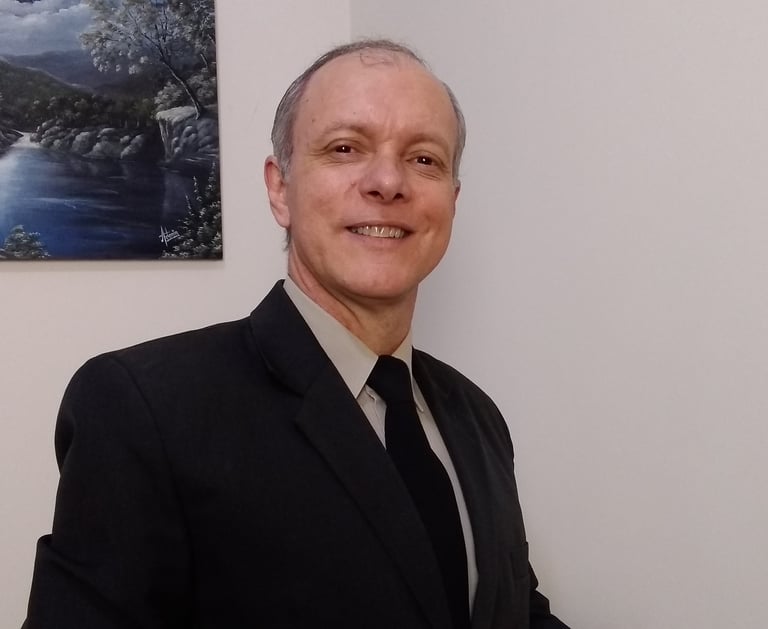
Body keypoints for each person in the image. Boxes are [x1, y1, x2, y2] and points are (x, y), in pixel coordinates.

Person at [24, 39, 569, 629]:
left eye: (424, 159)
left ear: (452, 202)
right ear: (280, 189)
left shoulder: (477, 417)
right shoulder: (143, 410)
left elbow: (517, 614)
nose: (388, 181)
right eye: (345, 148)